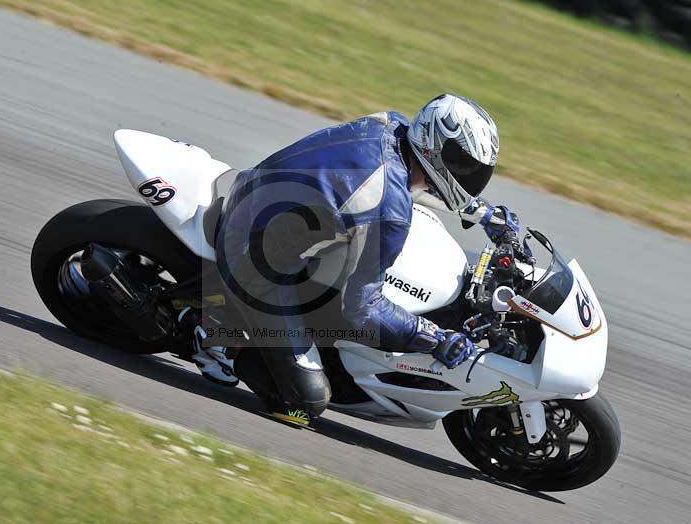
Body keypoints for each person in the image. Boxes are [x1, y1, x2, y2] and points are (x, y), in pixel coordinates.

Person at [181, 94, 520, 425]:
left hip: (259, 193)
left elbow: (407, 183)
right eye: (463, 164)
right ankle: (221, 341)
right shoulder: (390, 212)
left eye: (477, 169)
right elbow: (363, 309)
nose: (470, 175)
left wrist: (483, 213)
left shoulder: (391, 125)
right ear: (434, 147)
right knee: (304, 403)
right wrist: (435, 337)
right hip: (252, 260)